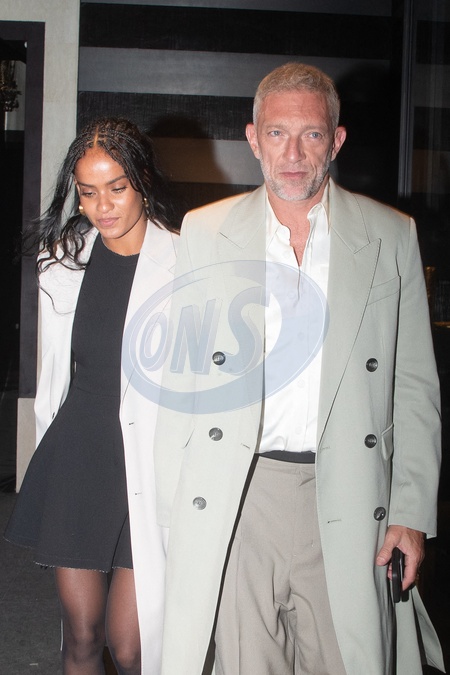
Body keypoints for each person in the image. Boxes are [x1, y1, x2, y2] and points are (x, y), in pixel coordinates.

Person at [153, 63, 445, 674]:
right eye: (277, 133)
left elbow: (415, 385)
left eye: (311, 134)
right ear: (253, 139)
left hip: (347, 489)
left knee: (345, 659)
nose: (293, 154)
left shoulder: (391, 235)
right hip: (239, 491)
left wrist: (412, 513)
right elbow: (183, 386)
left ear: (335, 141)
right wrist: (173, 510)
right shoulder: (205, 232)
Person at [5, 117, 180, 674]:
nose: (102, 206)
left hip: (148, 463)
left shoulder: (186, 261)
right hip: (79, 454)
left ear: (142, 179)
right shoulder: (63, 259)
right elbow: (55, 373)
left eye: (116, 187)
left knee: (130, 645)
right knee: (81, 635)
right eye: (87, 191)